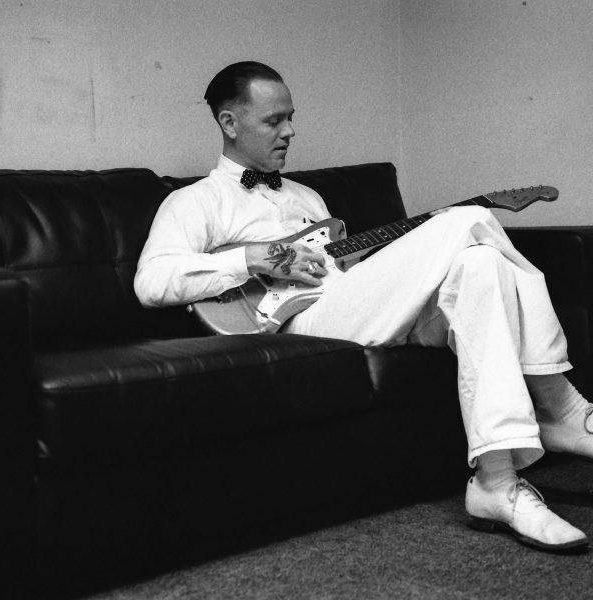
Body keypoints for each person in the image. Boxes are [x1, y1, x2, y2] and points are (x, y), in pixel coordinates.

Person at [135, 61, 593, 552]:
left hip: (348, 305)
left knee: (482, 265)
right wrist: (252, 258)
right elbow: (152, 282)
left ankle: (496, 482)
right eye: (274, 121)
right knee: (469, 218)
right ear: (229, 122)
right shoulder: (195, 202)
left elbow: (346, 276)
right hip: (298, 324)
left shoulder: (309, 197)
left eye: (291, 117)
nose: (290, 131)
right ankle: (563, 405)